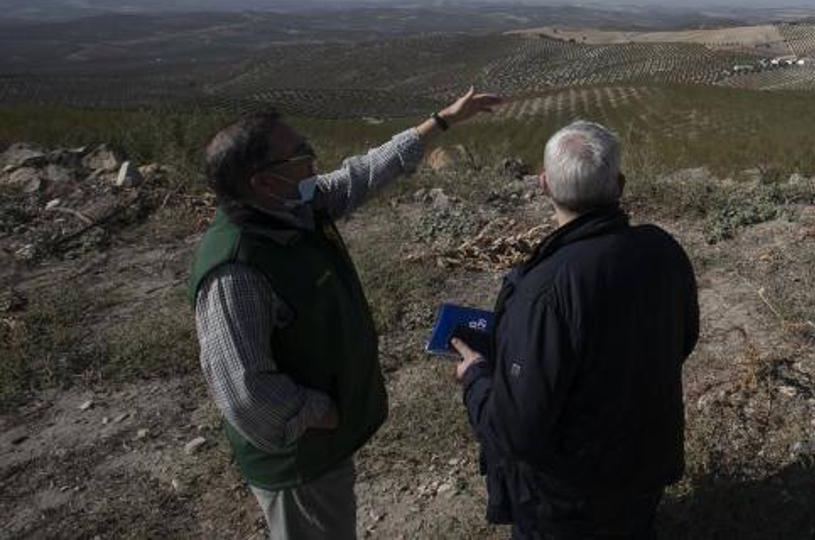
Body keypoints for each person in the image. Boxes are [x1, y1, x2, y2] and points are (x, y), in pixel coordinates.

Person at [189, 87, 501, 540]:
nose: (313, 159)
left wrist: (444, 120)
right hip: (299, 459)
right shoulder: (236, 270)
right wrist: (321, 412)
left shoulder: (293, 208)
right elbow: (244, 393)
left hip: (320, 447)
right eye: (300, 153)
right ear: (263, 181)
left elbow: (365, 172)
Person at [452, 120, 700, 539]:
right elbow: (684, 340)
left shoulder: (544, 292)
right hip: (645, 466)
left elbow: (515, 432)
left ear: (543, 185)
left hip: (567, 501)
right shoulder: (663, 249)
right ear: (619, 184)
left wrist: (475, 375)